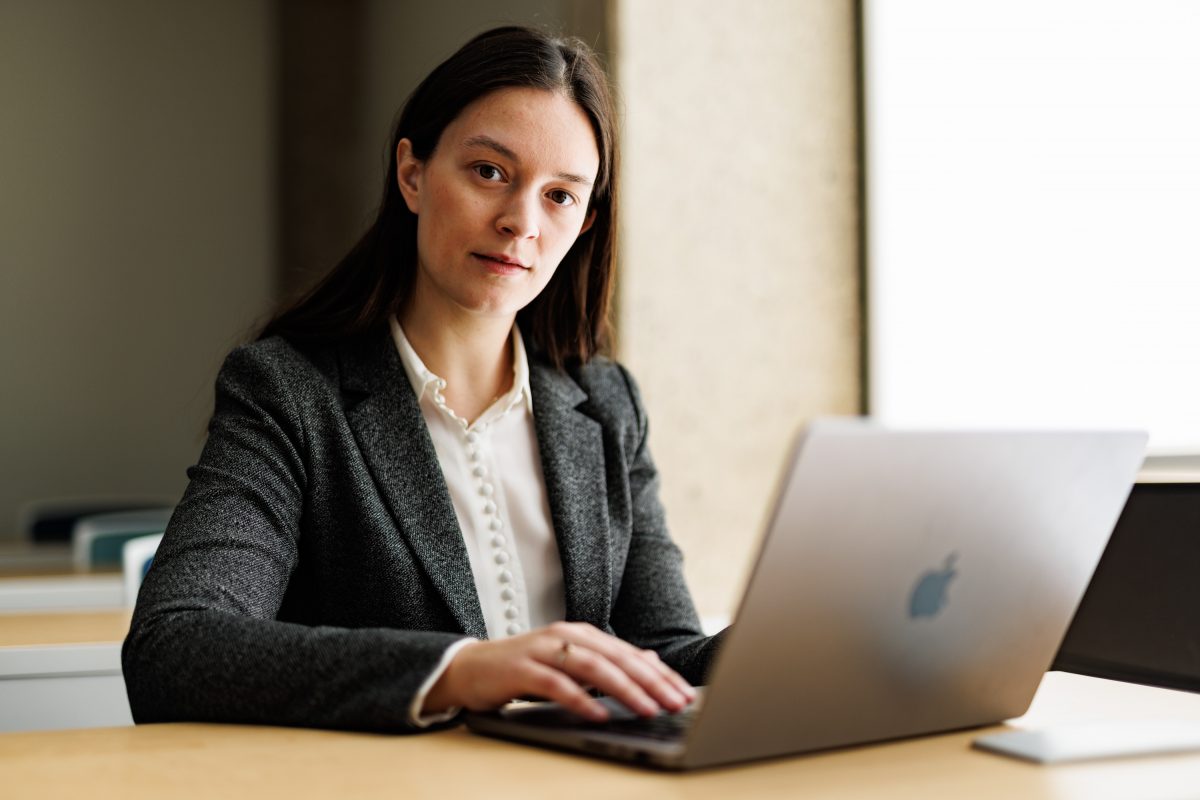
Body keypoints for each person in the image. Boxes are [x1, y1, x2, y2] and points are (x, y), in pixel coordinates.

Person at [122, 25, 723, 732]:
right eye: (490, 172)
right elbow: (176, 647)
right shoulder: (289, 390)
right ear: (412, 174)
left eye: (560, 196)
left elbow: (663, 657)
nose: (519, 222)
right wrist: (458, 671)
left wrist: (812, 639)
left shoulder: (606, 404)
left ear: (587, 221)